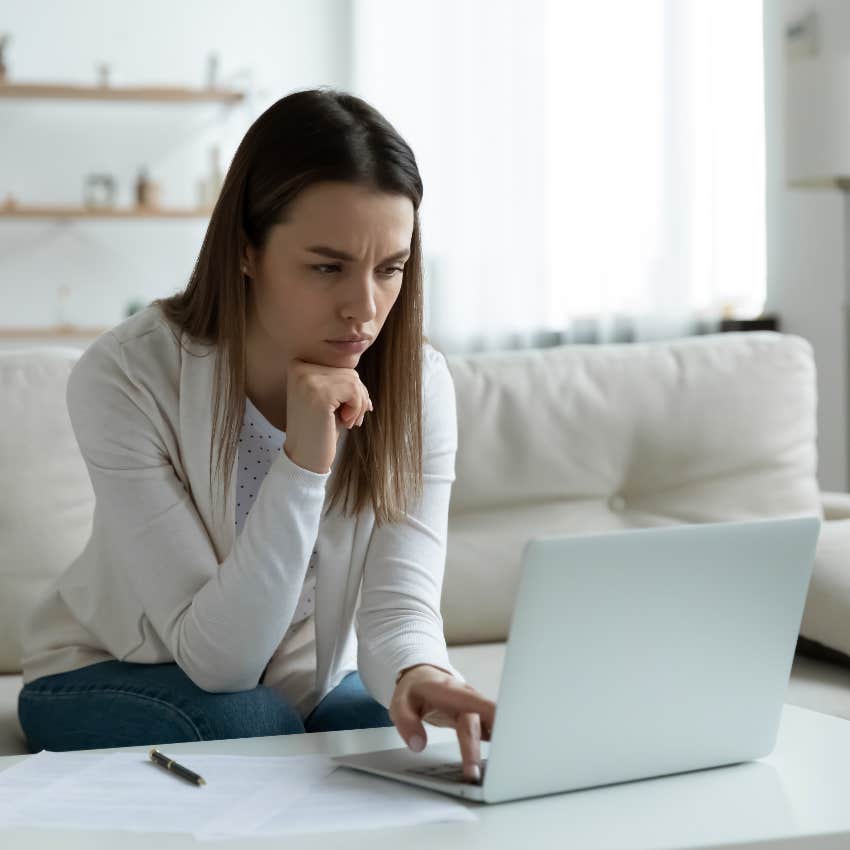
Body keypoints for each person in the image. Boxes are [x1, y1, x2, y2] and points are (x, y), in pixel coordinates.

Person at [17, 87, 495, 783]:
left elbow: (398, 607)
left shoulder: (418, 384)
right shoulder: (126, 375)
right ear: (247, 250)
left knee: (400, 733)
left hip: (296, 679)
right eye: (327, 266)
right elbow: (219, 663)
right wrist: (303, 462)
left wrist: (422, 672)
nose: (365, 309)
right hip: (107, 671)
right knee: (250, 723)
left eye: (389, 269)